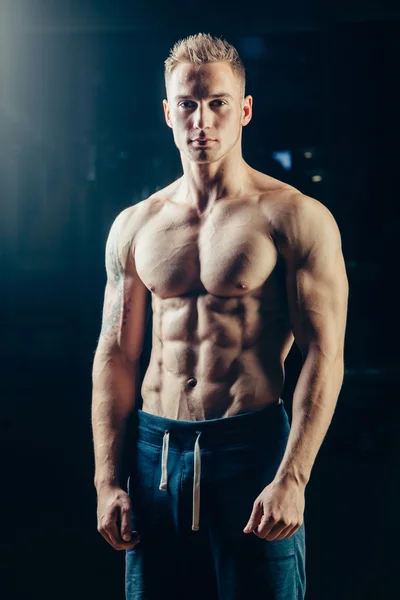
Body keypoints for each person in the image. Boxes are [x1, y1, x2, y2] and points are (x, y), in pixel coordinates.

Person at [91, 33, 349, 600]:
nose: (201, 120)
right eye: (187, 103)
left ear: (245, 109)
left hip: (251, 451)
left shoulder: (294, 217)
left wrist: (293, 477)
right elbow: (117, 355)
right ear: (167, 111)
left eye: (218, 103)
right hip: (154, 453)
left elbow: (325, 356)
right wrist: (107, 480)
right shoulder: (137, 225)